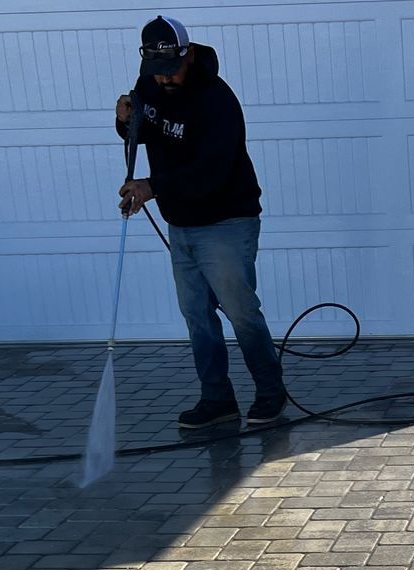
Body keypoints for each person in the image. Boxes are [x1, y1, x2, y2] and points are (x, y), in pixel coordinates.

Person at [116, 16, 286, 432]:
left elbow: (212, 169)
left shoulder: (216, 100)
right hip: (182, 223)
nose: (165, 79)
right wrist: (125, 122)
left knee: (240, 311)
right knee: (196, 314)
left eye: (172, 68)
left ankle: (271, 392)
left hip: (227, 219)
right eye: (157, 71)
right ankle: (217, 398)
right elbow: (144, 135)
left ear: (188, 55)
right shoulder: (148, 86)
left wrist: (152, 186)